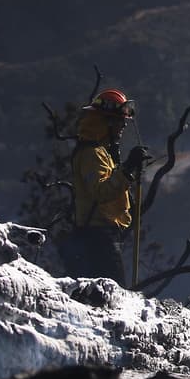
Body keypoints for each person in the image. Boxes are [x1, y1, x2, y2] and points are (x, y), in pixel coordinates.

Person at [61, 88, 150, 286]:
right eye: (120, 122)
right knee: (113, 296)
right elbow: (101, 192)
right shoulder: (92, 154)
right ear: (106, 122)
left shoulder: (101, 152)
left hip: (101, 235)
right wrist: (127, 168)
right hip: (97, 238)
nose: (123, 127)